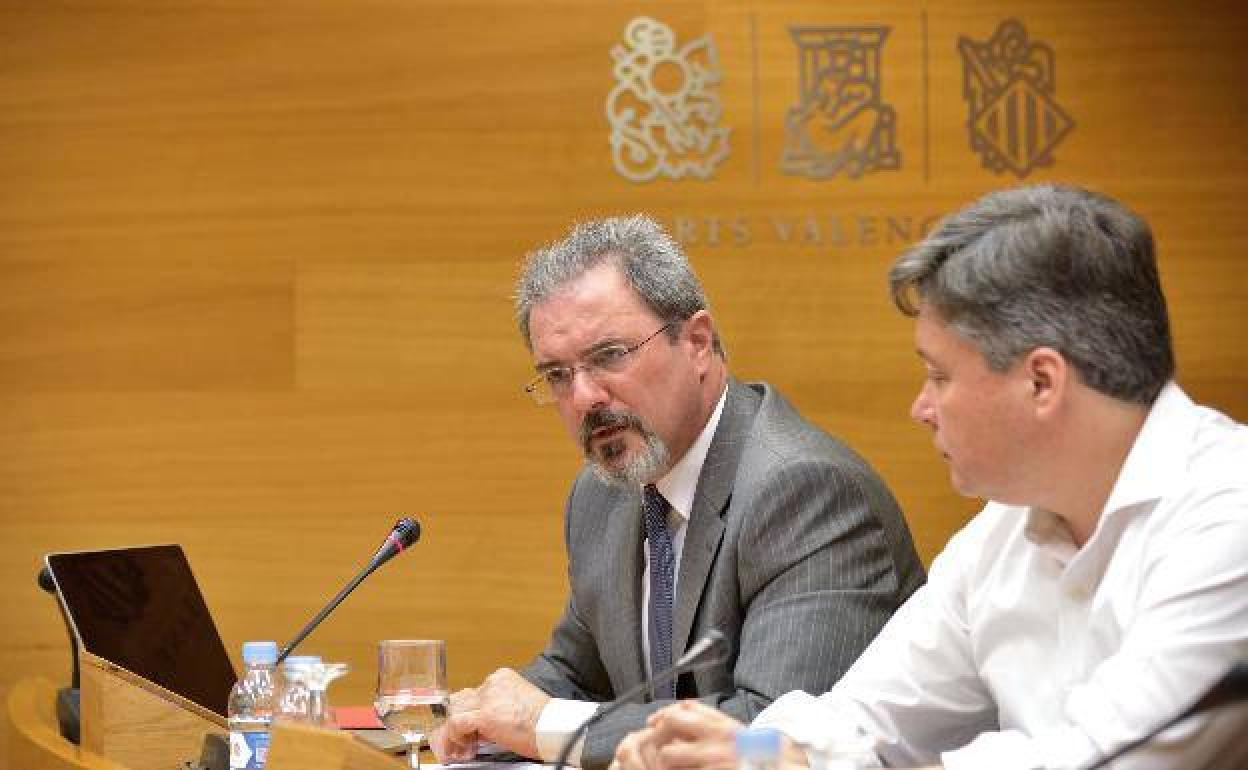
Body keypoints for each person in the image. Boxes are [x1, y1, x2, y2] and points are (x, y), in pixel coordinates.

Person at [611, 184, 1248, 770]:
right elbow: (866, 720)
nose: (921, 408)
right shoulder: (1004, 531)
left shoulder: (1227, 518)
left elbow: (1098, 757)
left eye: (939, 376)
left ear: (1042, 381)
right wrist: (743, 747)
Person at [430, 214, 925, 769]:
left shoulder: (806, 490)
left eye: (609, 356)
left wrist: (542, 724)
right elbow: (576, 672)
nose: (585, 396)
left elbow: (762, 731)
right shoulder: (602, 494)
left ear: (696, 342)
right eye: (558, 376)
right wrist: (486, 714)